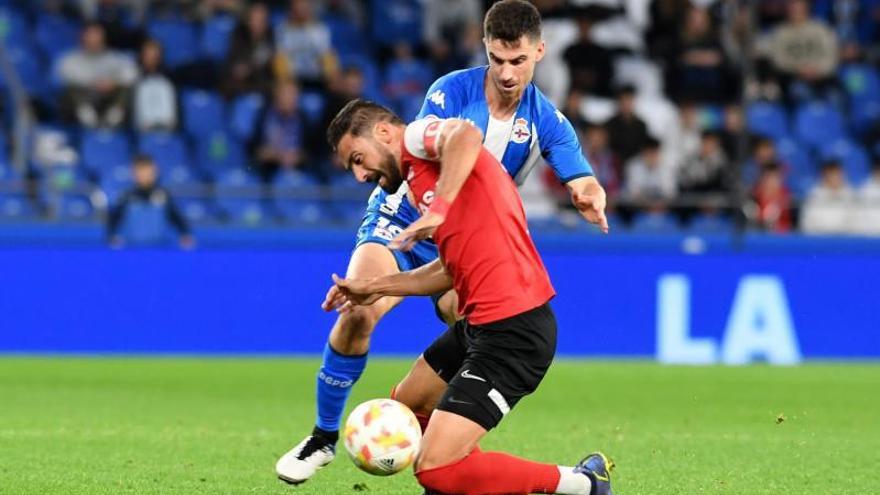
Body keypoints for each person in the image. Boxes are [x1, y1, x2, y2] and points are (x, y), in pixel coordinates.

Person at [275, 0, 608, 484]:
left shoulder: (548, 122)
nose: (508, 72)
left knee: (468, 315)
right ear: (485, 50)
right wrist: (433, 212)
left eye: (518, 61)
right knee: (360, 309)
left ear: (540, 52)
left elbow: (580, 176)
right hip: (409, 212)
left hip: (459, 233)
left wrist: (588, 191)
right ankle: (324, 436)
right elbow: (449, 140)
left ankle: (459, 450)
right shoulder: (450, 91)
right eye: (497, 59)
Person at [322, 98, 614, 495]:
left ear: (384, 133)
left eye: (357, 158)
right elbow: (447, 269)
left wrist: (439, 209)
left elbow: (465, 133)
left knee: (436, 470)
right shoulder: (420, 179)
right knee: (409, 403)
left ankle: (584, 484)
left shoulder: (416, 138)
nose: (359, 175)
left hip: (515, 334)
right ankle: (461, 477)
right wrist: (372, 288)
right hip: (480, 325)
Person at [59, 22, 138, 128]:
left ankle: (114, 117)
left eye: (97, 36)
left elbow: (132, 74)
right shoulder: (72, 59)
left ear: (103, 38)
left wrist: (114, 82)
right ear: (83, 38)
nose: (94, 40)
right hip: (84, 100)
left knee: (125, 89)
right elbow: (66, 76)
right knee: (71, 89)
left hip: (107, 99)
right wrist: (93, 83)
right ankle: (87, 118)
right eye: (90, 36)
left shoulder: (114, 57)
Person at [107, 155, 194, 248]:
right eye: (140, 171)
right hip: (133, 250)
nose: (144, 175)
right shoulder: (126, 197)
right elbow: (113, 222)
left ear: (155, 171)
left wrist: (185, 235)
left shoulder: (164, 195)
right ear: (133, 173)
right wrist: (112, 237)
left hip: (160, 249)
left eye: (147, 171)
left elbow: (177, 219)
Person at [132, 39, 177, 132]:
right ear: (142, 56)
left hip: (165, 128)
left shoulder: (168, 81)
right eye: (149, 55)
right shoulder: (133, 78)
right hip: (140, 129)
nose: (152, 58)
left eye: (155, 55)